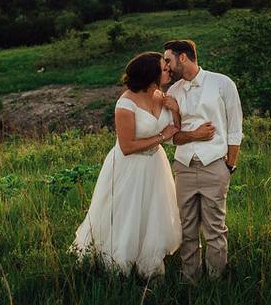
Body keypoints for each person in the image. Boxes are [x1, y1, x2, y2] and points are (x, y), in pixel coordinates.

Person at [71, 52, 183, 277]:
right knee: (127, 214)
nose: (168, 71)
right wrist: (161, 137)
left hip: (155, 165)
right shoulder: (126, 103)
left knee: (153, 212)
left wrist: (176, 111)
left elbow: (174, 131)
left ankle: (148, 261)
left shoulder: (162, 96)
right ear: (150, 74)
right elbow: (127, 146)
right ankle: (117, 264)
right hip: (129, 166)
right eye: (163, 68)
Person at [163, 39, 243, 281]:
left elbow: (235, 127)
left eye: (168, 59)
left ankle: (216, 281)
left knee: (215, 229)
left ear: (183, 57)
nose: (166, 66)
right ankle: (190, 281)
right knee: (187, 230)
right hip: (184, 168)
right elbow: (172, 138)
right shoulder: (172, 92)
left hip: (215, 165)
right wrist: (194, 134)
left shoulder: (222, 83)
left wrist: (230, 164)